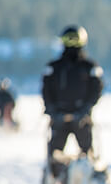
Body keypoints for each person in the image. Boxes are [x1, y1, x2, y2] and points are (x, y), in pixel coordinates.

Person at [42, 25, 104, 158]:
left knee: (88, 158)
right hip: (60, 117)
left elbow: (97, 90)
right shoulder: (54, 67)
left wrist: (85, 109)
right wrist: (52, 110)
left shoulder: (89, 67)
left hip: (81, 118)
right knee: (54, 160)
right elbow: (46, 90)